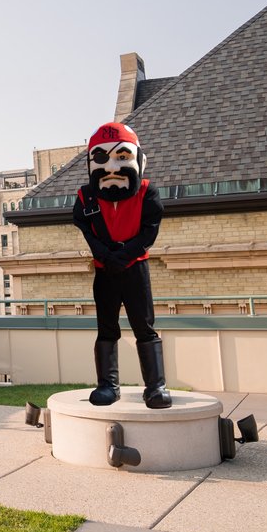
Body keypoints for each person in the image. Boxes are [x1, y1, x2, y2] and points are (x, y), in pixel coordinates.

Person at [73, 122, 170, 408]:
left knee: (145, 327)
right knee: (106, 327)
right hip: (105, 271)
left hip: (135, 268)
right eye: (101, 158)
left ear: (139, 159)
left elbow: (149, 231)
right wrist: (105, 255)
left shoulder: (147, 193)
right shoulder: (85, 196)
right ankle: (107, 385)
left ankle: (155, 386)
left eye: (122, 156)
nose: (112, 166)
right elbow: (86, 229)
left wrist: (124, 255)